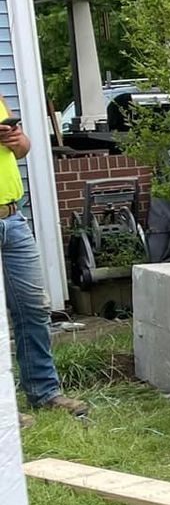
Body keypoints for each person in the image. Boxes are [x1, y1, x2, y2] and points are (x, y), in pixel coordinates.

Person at [0, 115, 87, 416]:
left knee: (33, 308)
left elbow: (21, 149)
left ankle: (43, 393)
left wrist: (18, 140)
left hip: (12, 218)